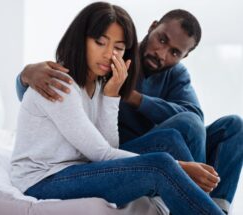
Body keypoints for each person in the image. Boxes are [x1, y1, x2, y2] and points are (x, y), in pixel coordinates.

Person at [15, 7, 243, 214]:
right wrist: (25, 75)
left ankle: (210, 206)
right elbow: (100, 151)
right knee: (161, 164)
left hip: (85, 161)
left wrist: (113, 95)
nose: (108, 54)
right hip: (44, 178)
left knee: (207, 129)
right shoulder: (61, 83)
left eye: (118, 47)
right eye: (100, 42)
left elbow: (106, 147)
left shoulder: (102, 81)